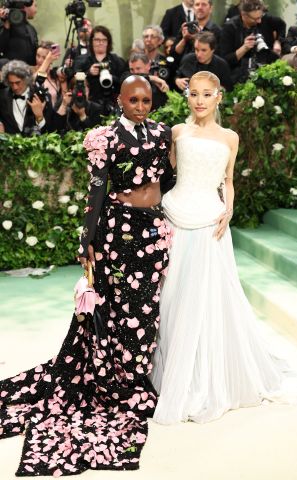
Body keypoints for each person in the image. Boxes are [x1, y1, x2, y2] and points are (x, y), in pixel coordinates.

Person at [0, 75, 174, 476]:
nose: (141, 106)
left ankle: (137, 377)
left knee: (145, 310)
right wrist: (86, 241)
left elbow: (168, 180)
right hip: (119, 231)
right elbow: (96, 193)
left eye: (146, 100)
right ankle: (121, 382)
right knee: (118, 309)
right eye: (134, 100)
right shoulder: (105, 138)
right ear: (120, 100)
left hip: (154, 229)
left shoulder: (162, 133)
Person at [150, 70, 286, 424]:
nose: (199, 100)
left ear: (218, 97)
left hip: (211, 224)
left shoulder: (230, 137)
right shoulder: (177, 132)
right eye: (194, 93)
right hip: (175, 217)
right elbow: (168, 174)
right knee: (172, 297)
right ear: (188, 96)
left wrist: (229, 209)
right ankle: (169, 370)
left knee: (208, 299)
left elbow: (227, 180)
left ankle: (206, 372)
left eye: (206, 94)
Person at [220, 0, 285, 83]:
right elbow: (225, 61)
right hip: (237, 76)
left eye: (260, 17)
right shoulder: (230, 28)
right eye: (256, 19)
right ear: (243, 15)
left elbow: (282, 25)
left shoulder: (264, 20)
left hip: (265, 70)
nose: (259, 21)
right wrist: (244, 48)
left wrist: (278, 41)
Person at [74, 25, 126, 115]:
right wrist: (88, 73)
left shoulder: (116, 60)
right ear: (91, 41)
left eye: (104, 40)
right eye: (97, 40)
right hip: (88, 106)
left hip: (114, 105)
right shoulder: (82, 60)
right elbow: (72, 81)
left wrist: (111, 77)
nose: (100, 43)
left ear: (108, 42)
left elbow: (125, 81)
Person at [0, 59, 54, 135]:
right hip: (8, 145)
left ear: (26, 79)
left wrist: (39, 116)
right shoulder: (2, 96)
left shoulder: (42, 96)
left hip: (34, 145)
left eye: (18, 82)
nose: (15, 87)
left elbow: (50, 131)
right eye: (11, 83)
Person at [0, 0, 38, 66]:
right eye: (35, 5)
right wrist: (6, 24)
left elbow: (34, 57)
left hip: (26, 72)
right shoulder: (6, 24)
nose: (36, 9)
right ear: (25, 6)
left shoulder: (31, 29)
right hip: (9, 71)